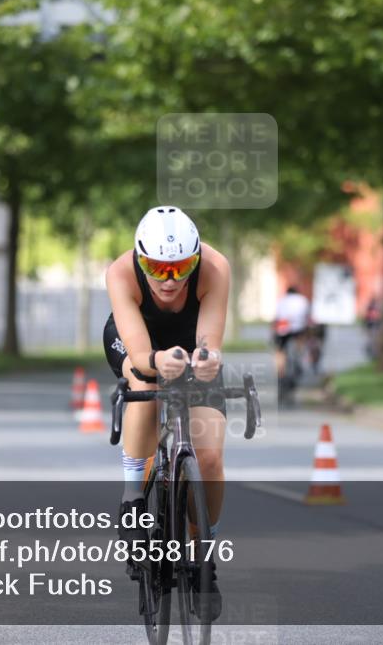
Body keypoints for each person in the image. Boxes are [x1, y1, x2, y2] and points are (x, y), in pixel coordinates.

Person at [104, 205, 229, 618]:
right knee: (146, 382)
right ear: (141, 259)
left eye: (181, 267)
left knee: (209, 455)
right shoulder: (120, 273)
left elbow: (209, 339)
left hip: (189, 342)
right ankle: (132, 497)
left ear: (196, 259)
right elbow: (141, 355)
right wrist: (155, 361)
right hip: (137, 341)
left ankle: (202, 549)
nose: (170, 279)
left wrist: (208, 359)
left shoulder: (215, 268)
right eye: (158, 267)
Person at [273, 285, 311, 377]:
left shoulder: (282, 300)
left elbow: (277, 316)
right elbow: (307, 315)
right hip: (299, 327)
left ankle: (280, 371)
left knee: (280, 350)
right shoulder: (303, 300)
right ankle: (299, 356)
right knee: (300, 342)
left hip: (283, 327)